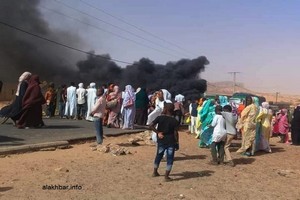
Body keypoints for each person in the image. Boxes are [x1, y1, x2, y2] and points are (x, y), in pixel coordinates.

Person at [149, 103, 179, 182]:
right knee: (170, 158)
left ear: (165, 109)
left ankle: (155, 172)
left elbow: (151, 125)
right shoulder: (174, 121)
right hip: (171, 141)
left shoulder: (160, 118)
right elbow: (175, 133)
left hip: (161, 140)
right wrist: (177, 142)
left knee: (159, 155)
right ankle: (166, 176)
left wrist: (158, 132)